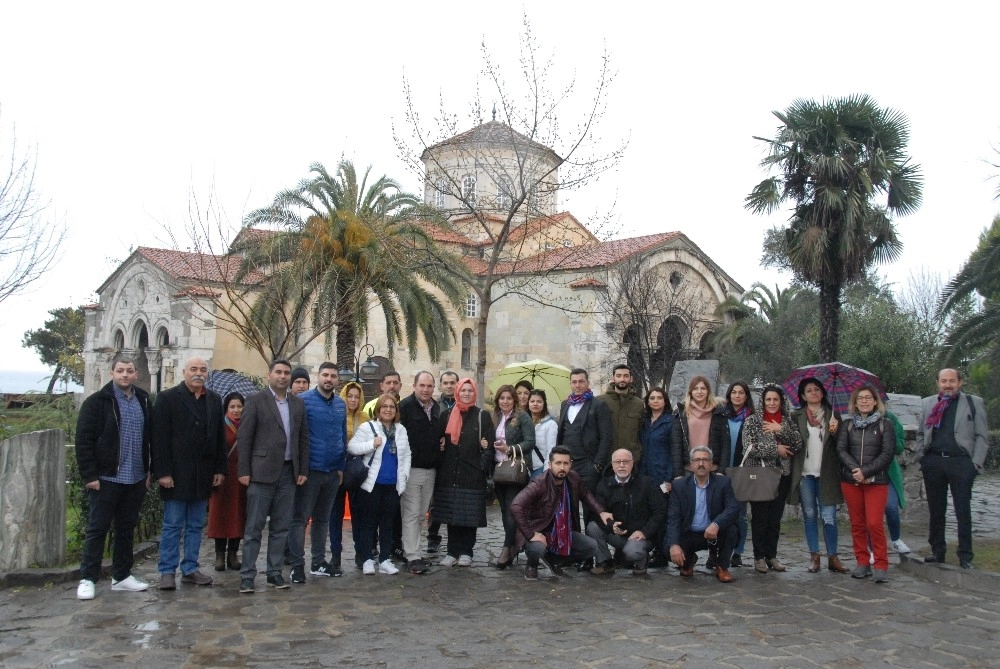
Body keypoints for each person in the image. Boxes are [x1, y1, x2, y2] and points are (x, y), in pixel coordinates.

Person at [75, 354, 152, 601]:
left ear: (136, 374)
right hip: (107, 477)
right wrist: (90, 474)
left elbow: (151, 438)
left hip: (135, 477)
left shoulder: (143, 400)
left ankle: (121, 575)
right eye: (120, 370)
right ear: (112, 373)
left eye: (129, 371)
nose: (125, 375)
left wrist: (150, 470)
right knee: (97, 529)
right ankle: (88, 578)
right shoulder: (97, 402)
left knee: (126, 528)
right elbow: (83, 441)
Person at [151, 356, 227, 590]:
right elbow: (159, 438)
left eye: (203, 370)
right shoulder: (167, 399)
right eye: (193, 369)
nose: (198, 373)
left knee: (195, 525)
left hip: (202, 474)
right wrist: (162, 472)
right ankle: (166, 571)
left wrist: (219, 469)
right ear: (184, 372)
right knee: (173, 524)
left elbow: (218, 438)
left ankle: (190, 568)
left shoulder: (214, 400)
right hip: (175, 473)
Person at [237, 359, 310, 594]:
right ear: (269, 375)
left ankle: (274, 572)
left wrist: (302, 470)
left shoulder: (297, 404)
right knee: (254, 529)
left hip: (289, 474)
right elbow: (245, 438)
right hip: (261, 473)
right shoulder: (256, 401)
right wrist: (244, 471)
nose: (283, 376)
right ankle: (248, 575)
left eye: (286, 373)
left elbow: (302, 440)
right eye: (278, 372)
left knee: (281, 528)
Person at [917, 368, 989, 569]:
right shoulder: (928, 403)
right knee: (936, 511)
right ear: (938, 383)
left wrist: (975, 464)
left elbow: (982, 436)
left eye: (951, 381)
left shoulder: (974, 403)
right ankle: (937, 551)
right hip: (934, 462)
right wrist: (922, 458)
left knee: (963, 511)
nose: (947, 385)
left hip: (961, 463)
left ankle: (965, 556)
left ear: (960, 382)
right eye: (943, 381)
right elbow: (922, 433)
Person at [510, 446, 615, 580]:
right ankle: (532, 565)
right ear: (550, 465)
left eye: (566, 463)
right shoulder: (539, 483)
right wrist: (530, 534)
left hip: (562, 531)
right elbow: (516, 505)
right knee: (537, 548)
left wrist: (601, 512)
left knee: (591, 547)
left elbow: (586, 495)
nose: (562, 467)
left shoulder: (573, 478)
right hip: (539, 529)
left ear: (570, 464)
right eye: (558, 463)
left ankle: (554, 560)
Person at [289, 362, 347, 583]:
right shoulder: (303, 402)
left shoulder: (340, 405)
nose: (329, 379)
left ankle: (318, 562)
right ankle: (296, 565)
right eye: (325, 375)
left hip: (332, 472)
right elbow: (295, 437)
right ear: (318, 376)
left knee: (322, 519)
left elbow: (342, 436)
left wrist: (341, 467)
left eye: (333, 375)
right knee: (300, 519)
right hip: (309, 471)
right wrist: (299, 468)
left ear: (337, 379)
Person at [788, 378, 850, 575]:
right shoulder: (795, 416)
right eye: (809, 390)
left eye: (817, 390)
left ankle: (833, 556)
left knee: (829, 517)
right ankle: (814, 555)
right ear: (803, 395)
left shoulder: (833, 416)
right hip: (805, 475)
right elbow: (792, 442)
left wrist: (834, 432)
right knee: (809, 515)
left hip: (827, 475)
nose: (813, 393)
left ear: (823, 393)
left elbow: (842, 445)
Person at [432, 378, 495, 567]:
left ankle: (467, 551)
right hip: (450, 472)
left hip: (472, 473)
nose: (466, 394)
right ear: (457, 392)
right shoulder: (447, 415)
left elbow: (489, 445)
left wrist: (481, 467)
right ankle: (452, 551)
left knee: (469, 514)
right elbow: (440, 442)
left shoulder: (482, 416)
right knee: (452, 513)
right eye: (463, 390)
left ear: (474, 393)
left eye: (470, 390)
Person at [741, 383, 802, 574]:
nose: (772, 403)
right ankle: (759, 557)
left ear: (781, 401)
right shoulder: (752, 421)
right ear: (763, 401)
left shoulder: (787, 421)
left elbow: (798, 443)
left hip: (781, 475)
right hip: (760, 475)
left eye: (776, 399)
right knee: (760, 518)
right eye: (769, 399)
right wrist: (776, 449)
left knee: (775, 518)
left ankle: (771, 555)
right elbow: (749, 448)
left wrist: (780, 429)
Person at [347, 394, 411, 575]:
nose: (388, 410)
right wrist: (371, 444)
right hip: (371, 485)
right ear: (378, 410)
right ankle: (367, 558)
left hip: (392, 485)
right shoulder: (368, 427)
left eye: (392, 407)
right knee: (368, 523)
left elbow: (406, 455)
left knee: (387, 523)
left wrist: (404, 476)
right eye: (385, 407)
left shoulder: (401, 430)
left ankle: (384, 559)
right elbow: (352, 447)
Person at [837, 385, 895, 583]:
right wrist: (856, 471)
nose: (863, 401)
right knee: (857, 524)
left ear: (875, 401)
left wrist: (866, 471)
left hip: (876, 481)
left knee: (874, 523)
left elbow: (887, 453)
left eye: (868, 398)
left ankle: (881, 564)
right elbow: (842, 450)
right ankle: (862, 562)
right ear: (854, 402)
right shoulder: (847, 425)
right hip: (851, 481)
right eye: (860, 398)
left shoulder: (885, 425)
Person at [587, 448, 667, 575]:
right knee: (592, 527)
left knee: (632, 552)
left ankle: (641, 562)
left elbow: (660, 511)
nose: (622, 465)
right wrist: (611, 524)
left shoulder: (647, 483)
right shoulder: (603, 485)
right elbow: (599, 513)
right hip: (617, 534)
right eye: (617, 462)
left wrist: (645, 532)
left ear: (632, 463)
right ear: (612, 465)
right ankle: (606, 563)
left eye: (625, 461)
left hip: (640, 536)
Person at [666, 446, 740, 583]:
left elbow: (733, 508)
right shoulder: (679, 485)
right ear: (691, 464)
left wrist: (716, 524)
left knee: (732, 530)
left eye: (705, 460)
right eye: (697, 460)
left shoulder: (723, 482)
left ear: (711, 464)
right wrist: (674, 545)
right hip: (690, 534)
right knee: (670, 545)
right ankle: (688, 562)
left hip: (714, 533)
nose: (701, 464)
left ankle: (722, 567)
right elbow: (673, 517)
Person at [397, 371, 444, 575]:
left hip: (430, 470)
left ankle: (413, 550)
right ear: (414, 385)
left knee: (420, 514)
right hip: (412, 470)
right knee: (411, 513)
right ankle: (412, 556)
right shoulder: (405, 407)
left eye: (429, 386)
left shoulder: (437, 408)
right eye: (422, 385)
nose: (425, 389)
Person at [491, 384, 536, 569]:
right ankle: (512, 546)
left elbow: (530, 442)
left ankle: (507, 547)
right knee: (504, 510)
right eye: (502, 398)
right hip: (497, 469)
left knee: (511, 509)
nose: (505, 401)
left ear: (514, 400)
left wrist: (510, 449)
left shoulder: (522, 416)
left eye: (509, 398)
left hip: (515, 471)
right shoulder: (494, 416)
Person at [328, 380, 366, 575]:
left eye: (356, 396)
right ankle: (335, 554)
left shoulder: (365, 418)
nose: (352, 399)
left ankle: (360, 552)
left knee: (359, 514)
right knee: (335, 515)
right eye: (349, 396)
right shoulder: (336, 415)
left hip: (357, 471)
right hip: (337, 469)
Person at [557, 368, 613, 498]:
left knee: (590, 505)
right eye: (574, 382)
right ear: (570, 384)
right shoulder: (564, 404)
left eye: (581, 381)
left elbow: (606, 437)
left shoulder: (599, 405)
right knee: (568, 502)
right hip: (567, 463)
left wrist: (597, 465)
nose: (577, 385)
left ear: (588, 383)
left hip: (588, 464)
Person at [208, 392, 247, 572]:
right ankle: (219, 555)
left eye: (239, 406)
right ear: (226, 408)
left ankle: (233, 553)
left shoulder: (246, 426)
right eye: (232, 407)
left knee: (238, 515)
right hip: (222, 476)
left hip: (241, 477)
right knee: (220, 515)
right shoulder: (220, 425)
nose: (236, 410)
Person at [426, 370, 459, 554]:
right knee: (435, 500)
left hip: (458, 459)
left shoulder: (464, 405)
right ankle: (433, 536)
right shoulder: (434, 406)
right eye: (445, 382)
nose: (449, 386)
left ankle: (456, 540)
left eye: (452, 382)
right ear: (440, 385)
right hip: (439, 458)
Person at [671, 376, 730, 475]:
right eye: (695, 388)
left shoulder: (718, 412)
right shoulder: (681, 413)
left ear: (708, 391)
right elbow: (676, 445)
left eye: (703, 388)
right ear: (690, 392)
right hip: (688, 470)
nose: (699, 392)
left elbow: (725, 444)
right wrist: (678, 474)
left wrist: (721, 471)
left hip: (712, 470)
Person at [721, 381, 752, 567]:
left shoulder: (751, 417)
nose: (737, 396)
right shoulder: (721, 415)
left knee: (740, 514)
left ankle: (738, 552)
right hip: (723, 470)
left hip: (743, 470)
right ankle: (718, 551)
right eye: (734, 392)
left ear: (746, 396)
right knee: (720, 512)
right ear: (729, 395)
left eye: (741, 392)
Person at [596, 364, 645, 465]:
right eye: (618, 376)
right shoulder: (600, 401)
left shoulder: (638, 404)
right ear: (613, 378)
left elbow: (641, 431)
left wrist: (638, 451)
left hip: (631, 458)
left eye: (626, 376)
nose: (622, 379)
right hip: (606, 458)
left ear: (631, 379)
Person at [882, 408, 910, 554]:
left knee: (891, 506)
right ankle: (873, 547)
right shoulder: (856, 420)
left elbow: (899, 447)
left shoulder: (890, 418)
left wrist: (888, 435)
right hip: (867, 472)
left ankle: (895, 539)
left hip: (888, 473)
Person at [528, 389, 557, 478]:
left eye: (539, 401)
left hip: (540, 469)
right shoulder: (524, 422)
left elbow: (551, 450)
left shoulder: (551, 424)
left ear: (544, 403)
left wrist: (546, 472)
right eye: (532, 401)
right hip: (525, 469)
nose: (535, 404)